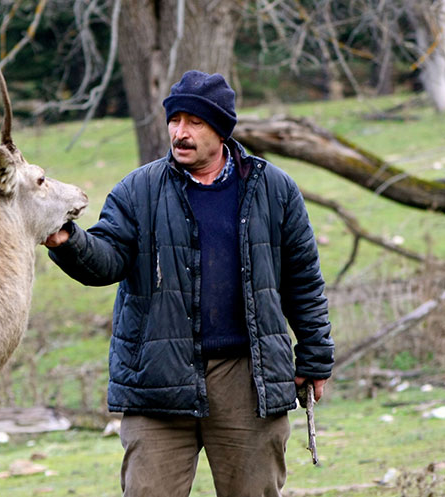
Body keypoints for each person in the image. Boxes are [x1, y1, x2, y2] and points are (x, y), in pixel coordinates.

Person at [44, 70, 334, 497]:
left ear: (221, 129)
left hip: (246, 380)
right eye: (174, 120)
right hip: (157, 380)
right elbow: (106, 261)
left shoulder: (274, 189)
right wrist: (68, 241)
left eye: (194, 122)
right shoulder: (137, 190)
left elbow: (303, 280)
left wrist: (315, 357)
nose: (181, 132)